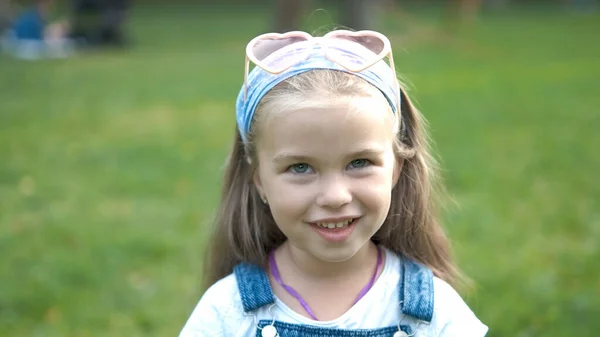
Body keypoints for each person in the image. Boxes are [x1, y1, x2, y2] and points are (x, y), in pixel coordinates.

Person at [179, 30, 488, 337]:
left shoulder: (433, 312)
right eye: (300, 167)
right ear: (259, 181)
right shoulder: (227, 312)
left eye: (359, 163)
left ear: (395, 169)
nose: (335, 196)